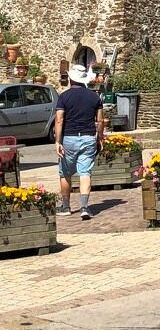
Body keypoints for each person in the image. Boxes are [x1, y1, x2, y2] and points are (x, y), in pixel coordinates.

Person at [55, 64, 104, 220]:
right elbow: (100, 120)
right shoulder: (94, 97)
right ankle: (84, 207)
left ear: (71, 78)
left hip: (69, 137)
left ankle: (66, 206)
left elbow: (59, 120)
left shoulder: (64, 97)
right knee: (85, 172)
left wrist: (57, 141)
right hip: (88, 137)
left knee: (65, 172)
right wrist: (99, 137)